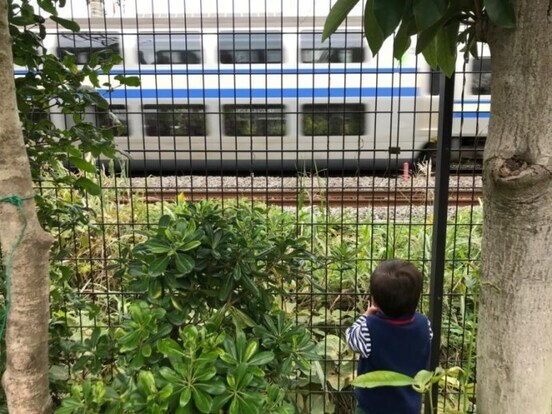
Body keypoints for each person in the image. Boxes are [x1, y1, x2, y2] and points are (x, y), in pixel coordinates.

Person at [346, 259, 433, 414]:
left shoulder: (369, 329)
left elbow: (351, 337)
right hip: (409, 406)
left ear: (375, 301)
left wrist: (366, 315)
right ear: (417, 298)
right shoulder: (424, 325)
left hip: (372, 408)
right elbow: (428, 338)